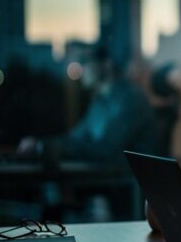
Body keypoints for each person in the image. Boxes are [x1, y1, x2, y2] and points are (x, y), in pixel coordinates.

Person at [18, 46, 157, 164]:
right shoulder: (100, 102)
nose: (81, 70)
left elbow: (106, 149)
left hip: (130, 184)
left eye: (85, 62)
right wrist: (41, 145)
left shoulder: (130, 100)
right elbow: (77, 137)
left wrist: (46, 147)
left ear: (106, 64)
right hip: (107, 179)